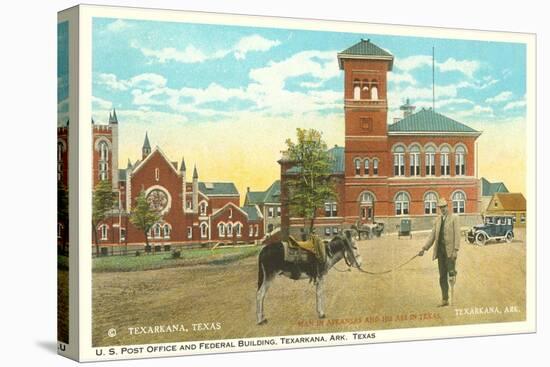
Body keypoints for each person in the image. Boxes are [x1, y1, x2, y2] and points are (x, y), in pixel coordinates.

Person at [418, 198, 460, 307]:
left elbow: (457, 236)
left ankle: (453, 276)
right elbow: (432, 236)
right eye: (441, 208)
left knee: (451, 275)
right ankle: (445, 299)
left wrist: (455, 250)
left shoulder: (454, 218)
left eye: (444, 207)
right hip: (440, 253)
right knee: (442, 276)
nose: (443, 209)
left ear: (448, 206)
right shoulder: (437, 220)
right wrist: (424, 248)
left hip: (450, 252)